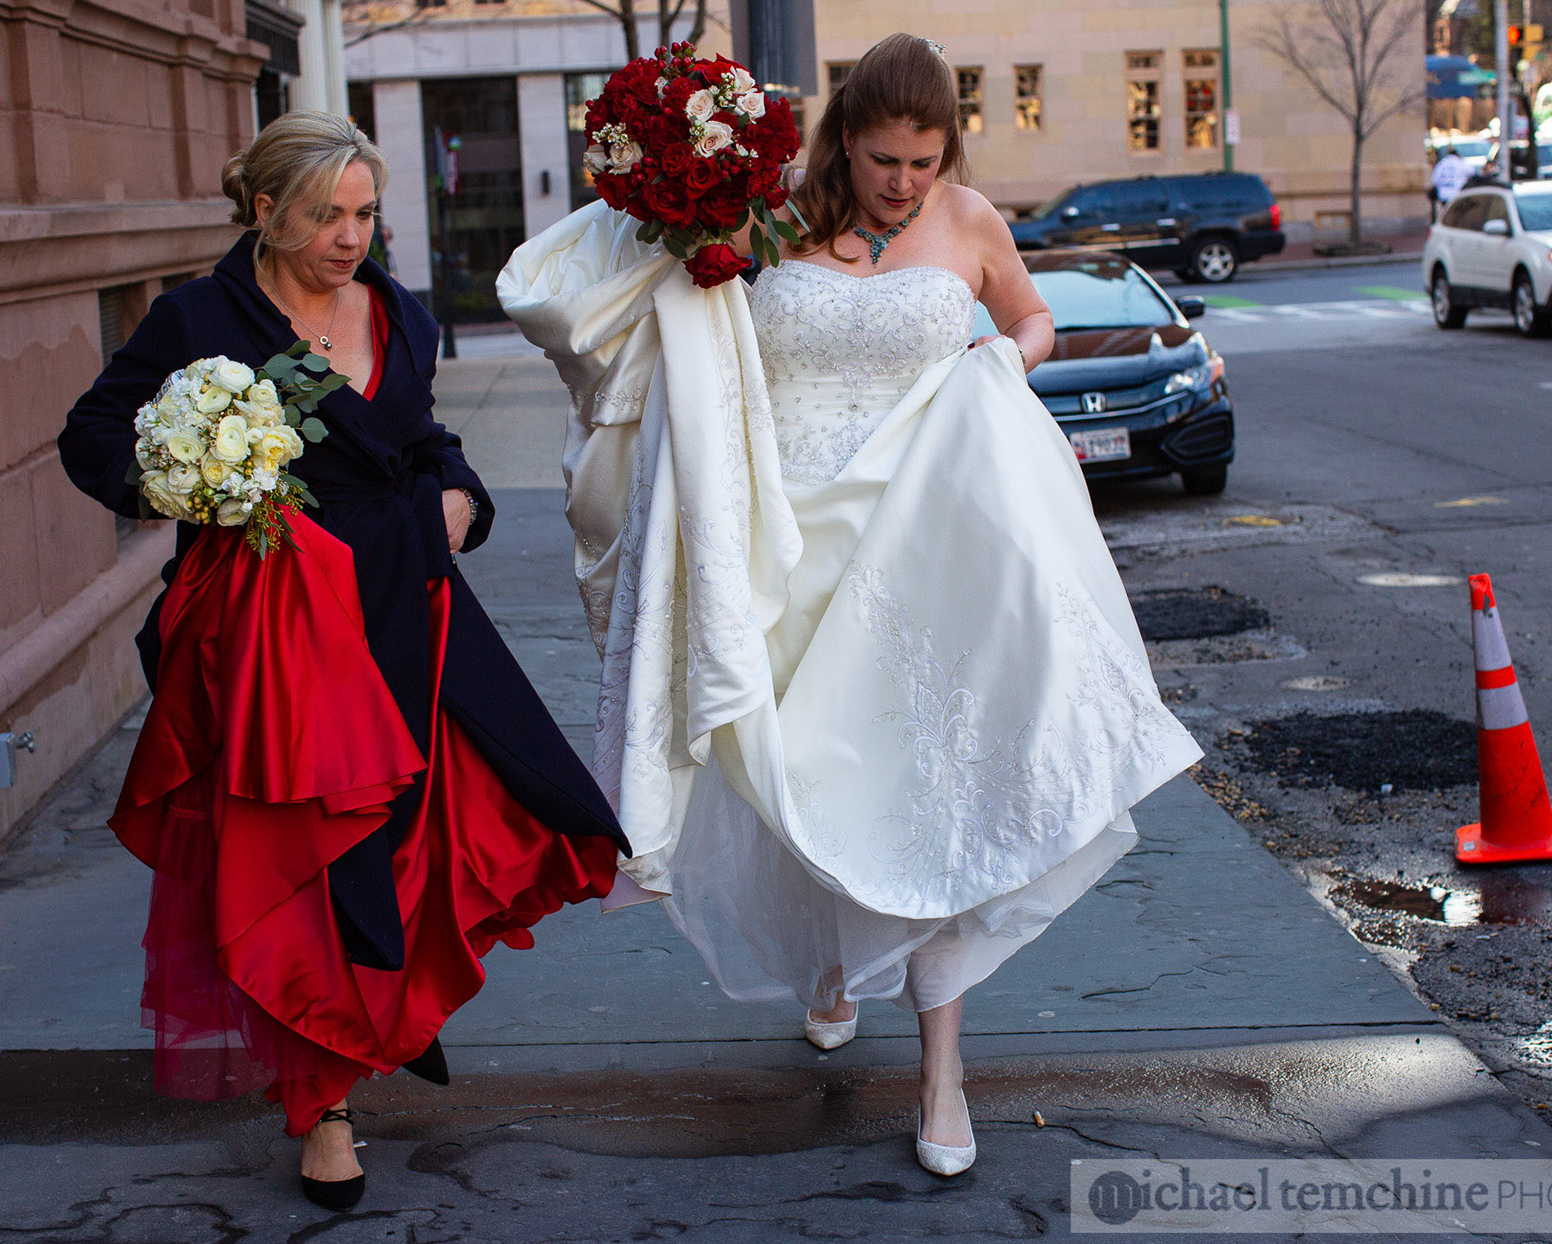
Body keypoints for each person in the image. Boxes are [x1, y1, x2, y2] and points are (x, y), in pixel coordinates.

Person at [500, 34, 1199, 1177]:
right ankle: (826, 968)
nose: (906, 182)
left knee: (930, 784)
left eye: (925, 161)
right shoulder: (768, 216)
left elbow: (1032, 322)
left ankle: (941, 1071)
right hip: (787, 536)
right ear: (844, 140)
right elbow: (690, 332)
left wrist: (1000, 368)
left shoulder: (971, 222)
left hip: (928, 535)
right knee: (801, 772)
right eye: (885, 159)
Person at [59, 111, 626, 1212]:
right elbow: (95, 436)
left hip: (403, 602)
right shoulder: (198, 317)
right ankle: (324, 1106)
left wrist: (461, 490)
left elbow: (422, 439)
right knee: (309, 855)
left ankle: (386, 1011)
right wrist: (193, 482)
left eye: (363, 213)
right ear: (265, 210)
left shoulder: (396, 314)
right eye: (326, 215)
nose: (349, 235)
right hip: (275, 628)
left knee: (444, 826)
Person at [1431, 142, 1476, 219]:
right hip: (1457, 194)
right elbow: (1472, 172)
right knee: (1458, 216)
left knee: (1446, 215)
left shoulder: (1441, 164)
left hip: (1443, 195)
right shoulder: (1460, 163)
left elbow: (1434, 180)